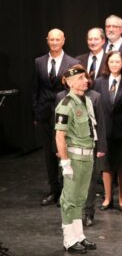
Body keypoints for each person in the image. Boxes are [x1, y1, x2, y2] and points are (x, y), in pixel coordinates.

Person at [54, 64, 99, 253]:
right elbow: (59, 136)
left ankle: (79, 236)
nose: (85, 80)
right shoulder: (65, 105)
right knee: (69, 200)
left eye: (85, 77)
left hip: (87, 156)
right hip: (74, 157)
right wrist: (65, 163)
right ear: (71, 83)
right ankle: (68, 240)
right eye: (80, 78)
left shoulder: (86, 101)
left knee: (80, 198)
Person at [33, 28, 80, 206]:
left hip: (64, 113)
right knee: (49, 155)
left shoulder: (72, 62)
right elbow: (35, 89)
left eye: (57, 39)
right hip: (45, 114)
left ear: (63, 40)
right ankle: (54, 190)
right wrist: (36, 112)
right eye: (51, 39)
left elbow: (75, 89)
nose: (54, 42)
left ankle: (66, 192)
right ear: (47, 40)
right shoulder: (39, 62)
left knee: (64, 152)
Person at [93, 50, 122, 212]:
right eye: (111, 62)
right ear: (107, 63)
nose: (114, 64)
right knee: (106, 166)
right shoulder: (98, 82)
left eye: (118, 62)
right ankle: (108, 197)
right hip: (104, 130)